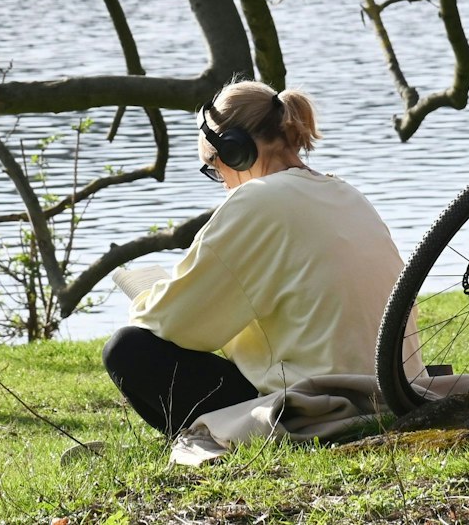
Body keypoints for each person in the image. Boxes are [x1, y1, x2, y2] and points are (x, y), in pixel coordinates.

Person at [101, 80, 406, 437]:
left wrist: (144, 298)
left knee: (128, 349)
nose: (222, 182)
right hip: (392, 390)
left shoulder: (256, 201)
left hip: (319, 401)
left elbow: (173, 323)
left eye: (213, 167)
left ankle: (202, 437)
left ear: (233, 151)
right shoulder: (347, 192)